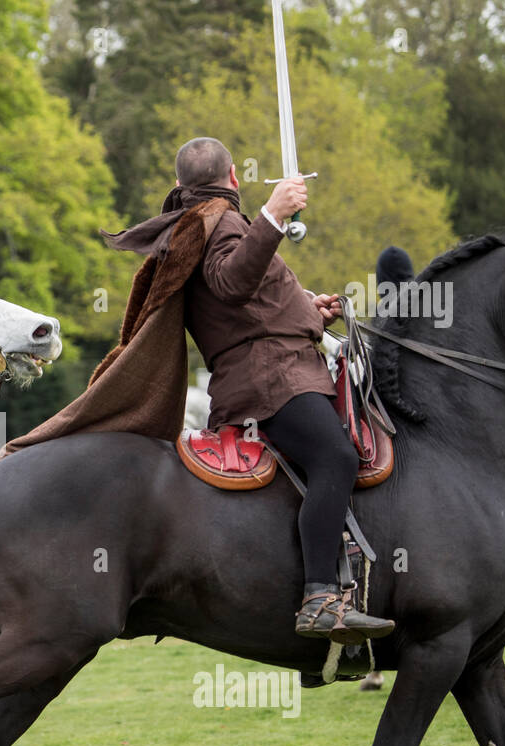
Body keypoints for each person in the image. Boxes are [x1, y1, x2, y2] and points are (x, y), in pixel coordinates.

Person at [168, 138, 394, 642]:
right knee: (336, 457)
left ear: (182, 183)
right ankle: (319, 598)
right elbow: (230, 283)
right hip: (271, 378)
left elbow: (242, 307)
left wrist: (307, 312)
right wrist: (272, 215)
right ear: (233, 177)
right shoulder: (222, 221)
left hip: (274, 365)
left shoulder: (208, 220)